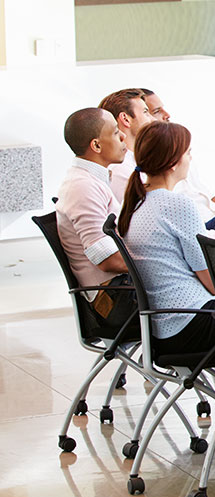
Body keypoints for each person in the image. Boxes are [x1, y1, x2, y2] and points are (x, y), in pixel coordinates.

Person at [117, 121, 215, 358]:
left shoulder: (135, 203)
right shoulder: (177, 204)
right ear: (173, 163)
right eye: (188, 152)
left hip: (163, 330)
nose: (191, 159)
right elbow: (209, 279)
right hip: (193, 323)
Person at [55, 108, 135, 332]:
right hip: (115, 299)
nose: (123, 137)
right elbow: (106, 260)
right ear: (97, 145)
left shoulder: (91, 180)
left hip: (123, 287)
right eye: (116, 132)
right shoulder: (83, 187)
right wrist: (158, 263)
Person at [141, 88, 215, 239]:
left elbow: (208, 196)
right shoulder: (170, 198)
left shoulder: (180, 161)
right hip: (202, 231)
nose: (167, 115)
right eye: (156, 111)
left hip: (211, 221)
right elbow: (192, 237)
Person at [99, 88, 155, 203]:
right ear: (126, 119)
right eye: (145, 112)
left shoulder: (134, 162)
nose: (153, 119)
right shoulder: (120, 170)